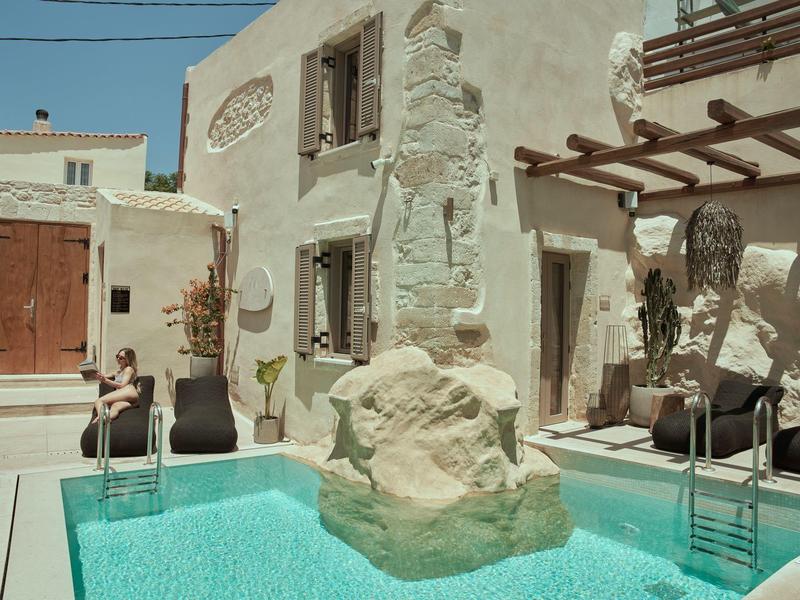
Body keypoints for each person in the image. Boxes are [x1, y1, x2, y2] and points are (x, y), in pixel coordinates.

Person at [91, 347, 142, 424]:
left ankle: (100, 417)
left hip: (128, 391)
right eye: (117, 356)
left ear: (128, 359)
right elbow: (103, 376)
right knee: (115, 407)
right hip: (129, 398)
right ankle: (106, 419)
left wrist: (105, 380)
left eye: (121, 358)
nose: (118, 359)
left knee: (99, 401)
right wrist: (93, 374)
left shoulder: (128, 369)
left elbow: (122, 386)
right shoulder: (118, 371)